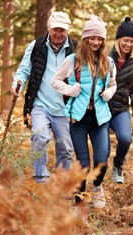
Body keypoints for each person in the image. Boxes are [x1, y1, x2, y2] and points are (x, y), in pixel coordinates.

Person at [52, 15, 116, 211]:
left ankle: (97, 186)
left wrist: (108, 93)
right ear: (85, 39)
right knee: (83, 163)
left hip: (100, 117)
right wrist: (70, 90)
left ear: (103, 41)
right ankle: (79, 202)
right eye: (92, 38)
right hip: (78, 118)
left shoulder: (109, 62)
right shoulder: (73, 60)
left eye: (99, 39)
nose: (96, 42)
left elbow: (114, 84)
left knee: (102, 160)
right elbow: (55, 81)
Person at [11, 11, 75, 184]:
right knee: (39, 137)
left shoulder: (75, 49)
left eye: (62, 30)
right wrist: (17, 84)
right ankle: (40, 178)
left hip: (65, 108)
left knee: (66, 148)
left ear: (67, 30)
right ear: (49, 28)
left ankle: (62, 183)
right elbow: (23, 70)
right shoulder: (36, 46)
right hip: (41, 105)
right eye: (55, 29)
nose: (58, 33)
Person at [108, 17, 133, 184]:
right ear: (118, 40)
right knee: (103, 149)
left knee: (125, 139)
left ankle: (118, 165)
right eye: (125, 40)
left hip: (121, 109)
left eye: (131, 41)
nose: (128, 44)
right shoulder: (105, 57)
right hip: (103, 107)